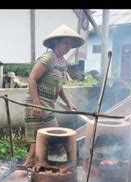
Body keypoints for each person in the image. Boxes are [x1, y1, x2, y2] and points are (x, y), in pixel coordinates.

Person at [23, 25, 85, 168]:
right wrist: (36, 103)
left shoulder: (62, 62)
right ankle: (29, 165)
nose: (68, 47)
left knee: (52, 134)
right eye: (65, 43)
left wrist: (69, 102)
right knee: (37, 137)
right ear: (56, 42)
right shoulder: (48, 57)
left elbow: (59, 86)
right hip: (36, 103)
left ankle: (41, 164)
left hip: (49, 105)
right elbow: (32, 79)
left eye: (70, 44)